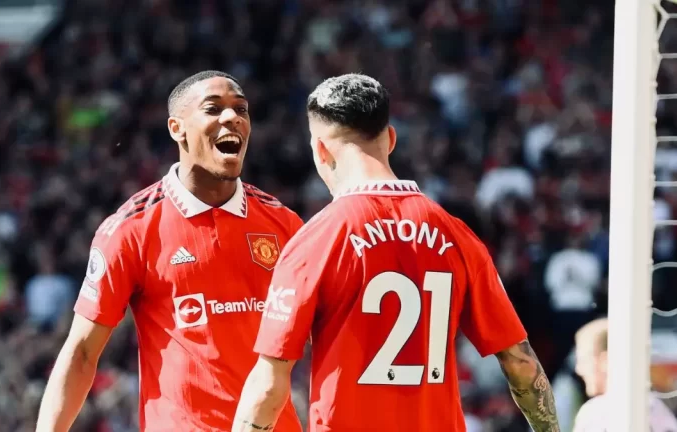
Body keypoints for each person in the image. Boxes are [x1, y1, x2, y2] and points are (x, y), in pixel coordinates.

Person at [232, 74, 560, 432]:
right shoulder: (457, 234)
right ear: (390, 140)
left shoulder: (315, 241)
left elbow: (268, 385)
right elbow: (521, 364)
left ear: (321, 150)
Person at [36, 70, 304, 432]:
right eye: (213, 109)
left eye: (241, 109)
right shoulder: (130, 229)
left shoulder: (283, 224)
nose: (233, 118)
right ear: (177, 128)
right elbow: (82, 352)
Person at [572, 318, 677, 431]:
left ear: (605, 360)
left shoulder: (595, 413)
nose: (578, 369)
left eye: (584, 360)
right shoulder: (662, 411)